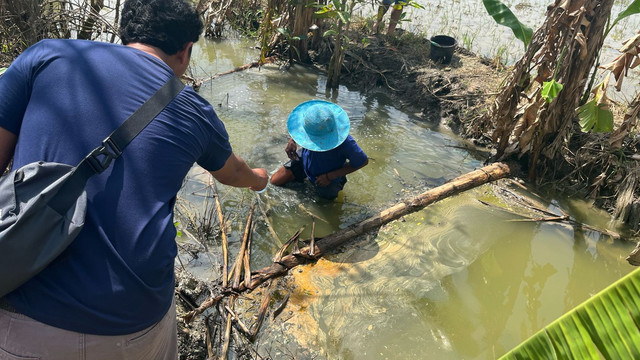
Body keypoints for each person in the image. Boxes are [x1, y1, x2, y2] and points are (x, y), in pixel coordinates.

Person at [0, 0, 267, 358]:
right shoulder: (193, 109)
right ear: (186, 51)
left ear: (126, 32)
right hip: (133, 318)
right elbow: (234, 172)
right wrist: (259, 179)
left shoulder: (46, 56)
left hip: (22, 308)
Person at [270, 100, 368, 200]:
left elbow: (363, 161)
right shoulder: (310, 123)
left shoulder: (345, 142)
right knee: (274, 182)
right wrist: (293, 139)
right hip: (306, 158)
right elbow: (300, 127)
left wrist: (329, 177)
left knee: (324, 204)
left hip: (328, 177)